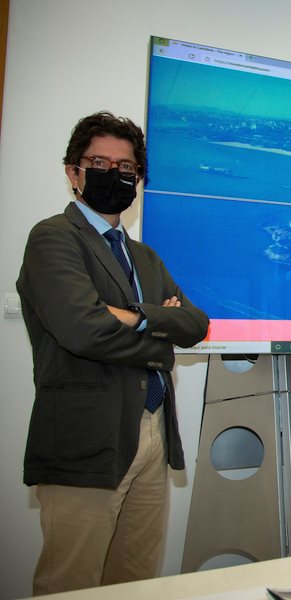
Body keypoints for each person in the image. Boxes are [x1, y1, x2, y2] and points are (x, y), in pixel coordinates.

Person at [16, 111, 209, 595]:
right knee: (72, 584)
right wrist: (159, 341)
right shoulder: (53, 238)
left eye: (126, 168)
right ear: (72, 171)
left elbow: (195, 324)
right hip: (87, 438)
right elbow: (82, 330)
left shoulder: (144, 256)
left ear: (137, 179)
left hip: (152, 437)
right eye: (98, 162)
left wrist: (133, 315)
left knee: (136, 582)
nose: (113, 174)